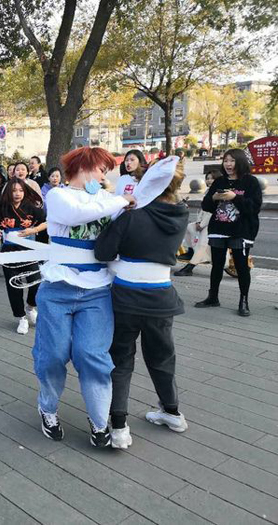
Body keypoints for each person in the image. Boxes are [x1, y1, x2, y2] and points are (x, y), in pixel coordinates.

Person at [34, 147, 135, 447]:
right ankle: (47, 408)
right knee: (52, 356)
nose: (104, 176)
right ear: (84, 166)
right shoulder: (58, 195)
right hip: (57, 288)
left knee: (92, 356)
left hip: (97, 291)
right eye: (101, 169)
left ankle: (100, 421)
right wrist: (120, 200)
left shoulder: (107, 199)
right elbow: (76, 215)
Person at [95, 160, 189, 449]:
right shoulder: (181, 214)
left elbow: (102, 251)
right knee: (162, 357)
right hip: (161, 297)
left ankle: (119, 427)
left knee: (121, 359)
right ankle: (172, 412)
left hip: (126, 297)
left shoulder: (131, 216)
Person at [195, 149, 262, 316]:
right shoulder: (219, 181)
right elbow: (206, 205)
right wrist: (213, 198)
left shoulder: (250, 182)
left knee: (241, 266)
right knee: (217, 265)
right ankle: (213, 297)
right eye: (226, 161)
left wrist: (234, 197)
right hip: (219, 229)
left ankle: (244, 301)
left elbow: (254, 208)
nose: (228, 164)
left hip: (241, 231)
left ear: (240, 162)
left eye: (232, 161)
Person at [0, 179, 47, 335]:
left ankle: (30, 307)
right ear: (9, 192)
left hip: (29, 250)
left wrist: (32, 230)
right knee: (13, 286)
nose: (17, 194)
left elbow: (46, 223)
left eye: (21, 190)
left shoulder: (32, 207)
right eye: (14, 190)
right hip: (9, 251)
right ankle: (21, 317)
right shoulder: (2, 208)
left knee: (35, 282)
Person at [174, 171, 222, 276]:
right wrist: (198, 222)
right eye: (207, 178)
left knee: (202, 244)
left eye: (212, 178)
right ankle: (191, 251)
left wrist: (202, 224)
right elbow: (203, 209)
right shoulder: (208, 191)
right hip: (204, 221)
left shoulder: (218, 193)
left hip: (213, 224)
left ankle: (190, 268)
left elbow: (212, 212)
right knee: (189, 227)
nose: (209, 180)